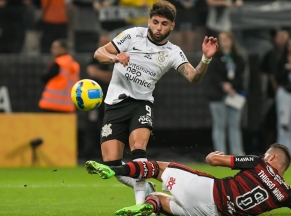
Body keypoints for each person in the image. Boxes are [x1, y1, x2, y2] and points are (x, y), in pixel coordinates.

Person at [91, 0, 218, 205]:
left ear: (172, 26)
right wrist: (115, 58)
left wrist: (205, 58)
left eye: (164, 24)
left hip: (141, 103)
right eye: (156, 22)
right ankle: (144, 186)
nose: (158, 28)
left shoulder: (173, 52)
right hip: (115, 104)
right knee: (111, 162)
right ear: (149, 21)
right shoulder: (132, 35)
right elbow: (99, 53)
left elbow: (193, 77)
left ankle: (141, 205)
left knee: (138, 148)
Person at [84, 143, 291, 216]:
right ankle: (151, 204)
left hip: (208, 190)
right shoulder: (285, 194)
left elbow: (213, 161)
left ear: (274, 159)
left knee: (157, 167)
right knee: (162, 200)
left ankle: (115, 169)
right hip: (211, 213)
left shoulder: (258, 163)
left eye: (268, 153)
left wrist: (213, 155)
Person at [205, 31, 245, 156]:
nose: (224, 42)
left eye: (227, 39)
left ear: (232, 41)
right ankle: (220, 154)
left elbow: (241, 76)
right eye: (222, 39)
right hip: (218, 96)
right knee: (219, 125)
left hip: (234, 95)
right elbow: (212, 76)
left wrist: (232, 86)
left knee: (234, 126)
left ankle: (237, 153)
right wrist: (223, 85)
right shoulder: (213, 58)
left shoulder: (238, 58)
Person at [260, 30, 289, 149]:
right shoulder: (271, 54)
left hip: (289, 93)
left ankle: (286, 149)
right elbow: (267, 73)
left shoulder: (289, 54)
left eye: (284, 37)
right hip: (272, 94)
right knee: (270, 122)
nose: (282, 40)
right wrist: (276, 91)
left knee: (286, 123)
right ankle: (268, 149)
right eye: (279, 37)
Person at [38, 39, 80, 112]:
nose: (52, 50)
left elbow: (44, 77)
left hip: (51, 104)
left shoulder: (59, 63)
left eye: (55, 47)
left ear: (63, 49)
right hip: (68, 105)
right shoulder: (74, 64)